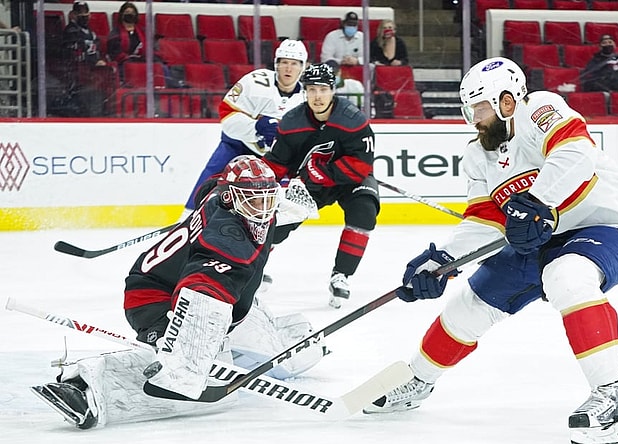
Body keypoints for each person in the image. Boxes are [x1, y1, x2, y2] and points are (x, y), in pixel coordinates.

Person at [363, 57, 618, 444]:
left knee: (568, 277)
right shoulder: (477, 154)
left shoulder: (540, 108)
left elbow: (576, 152)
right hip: (534, 243)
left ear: (506, 102)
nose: (473, 119)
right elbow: (483, 220)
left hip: (598, 228)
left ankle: (612, 396)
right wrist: (443, 262)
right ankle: (418, 380)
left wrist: (537, 202)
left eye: (478, 109)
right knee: (469, 305)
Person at [30, 155, 326, 429]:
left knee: (281, 357)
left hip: (227, 302)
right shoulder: (223, 238)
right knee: (187, 374)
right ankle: (86, 386)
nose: (262, 209)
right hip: (154, 298)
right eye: (253, 201)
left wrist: (294, 207)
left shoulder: (234, 202)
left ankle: (296, 337)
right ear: (230, 198)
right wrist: (189, 350)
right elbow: (200, 286)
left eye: (267, 199)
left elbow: (253, 207)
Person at [261, 63, 378, 309]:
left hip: (349, 181)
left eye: (323, 89)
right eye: (311, 89)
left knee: (364, 212)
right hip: (311, 183)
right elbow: (278, 163)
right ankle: (253, 265)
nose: (317, 96)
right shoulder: (292, 122)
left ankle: (341, 275)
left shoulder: (353, 119)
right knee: (279, 219)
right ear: (305, 91)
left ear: (333, 90)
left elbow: (361, 165)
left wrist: (324, 172)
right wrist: (259, 179)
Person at [184, 39, 308, 212]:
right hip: (238, 145)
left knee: (269, 202)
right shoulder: (255, 82)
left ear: (302, 67)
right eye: (284, 62)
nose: (289, 68)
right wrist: (256, 127)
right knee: (211, 180)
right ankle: (188, 216)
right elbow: (227, 114)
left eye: (294, 64)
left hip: (273, 158)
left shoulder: (307, 98)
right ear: (276, 64)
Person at [60, 1, 111, 116]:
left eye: (85, 13)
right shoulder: (70, 31)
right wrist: (93, 62)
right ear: (73, 14)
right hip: (78, 71)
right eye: (80, 13)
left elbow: (96, 50)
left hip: (93, 70)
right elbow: (73, 54)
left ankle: (101, 110)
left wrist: (99, 60)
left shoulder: (91, 33)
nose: (83, 16)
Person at [106, 2, 145, 68]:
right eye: (127, 12)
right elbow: (115, 53)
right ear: (122, 15)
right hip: (124, 63)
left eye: (132, 12)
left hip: (142, 60)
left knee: (160, 65)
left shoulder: (143, 32)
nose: (130, 14)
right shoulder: (115, 33)